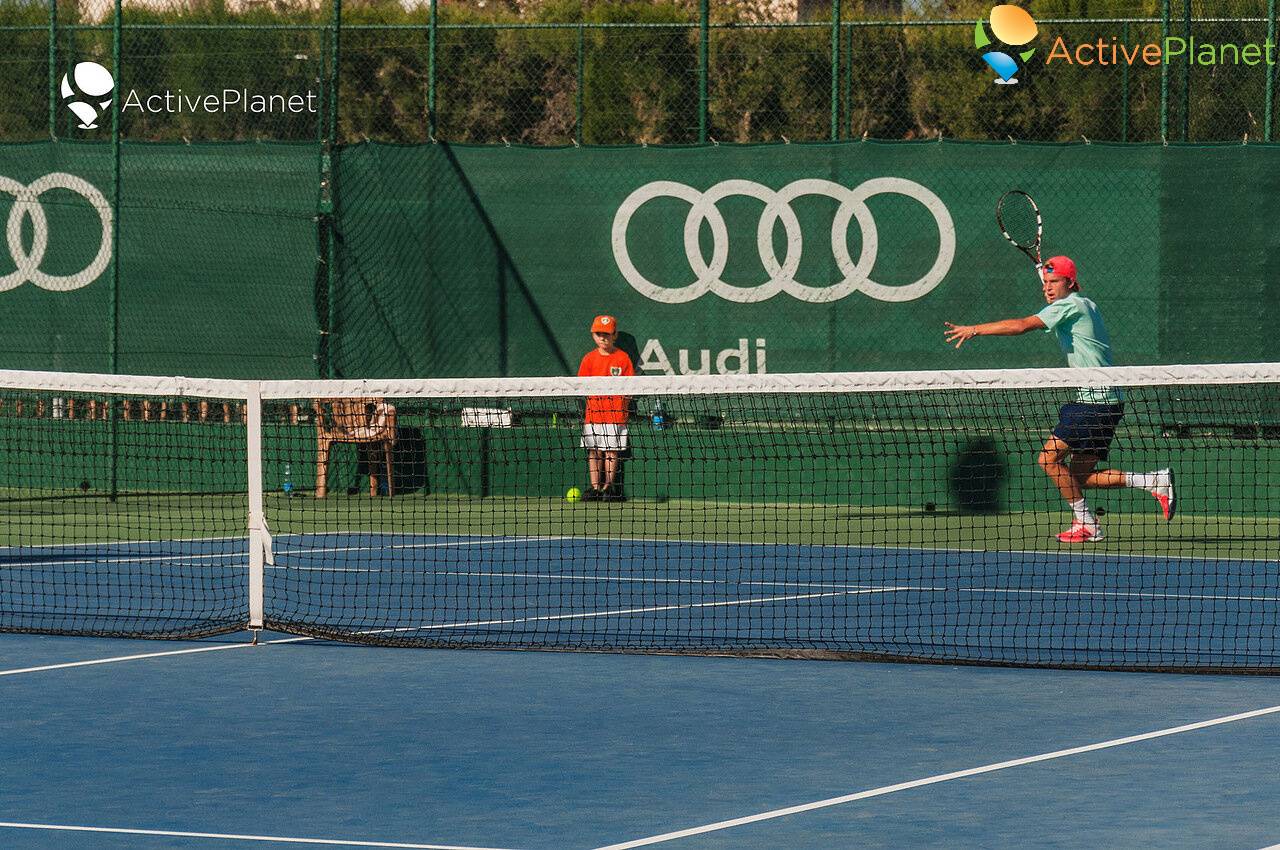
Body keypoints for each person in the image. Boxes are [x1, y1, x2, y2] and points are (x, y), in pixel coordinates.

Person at [943, 256, 1175, 543]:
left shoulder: (1071, 305)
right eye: (1045, 284)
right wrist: (1051, 273)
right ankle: (1153, 481)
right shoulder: (1086, 304)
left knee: (1048, 460)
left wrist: (974, 329)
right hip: (1107, 401)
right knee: (1078, 478)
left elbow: (1021, 325)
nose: (1048, 289)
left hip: (1094, 401)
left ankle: (1087, 524)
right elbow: (1055, 295)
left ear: (1070, 282)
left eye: (1055, 283)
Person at [577, 315, 634, 502]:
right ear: (593, 335)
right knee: (594, 451)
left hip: (615, 416)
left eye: (607, 334)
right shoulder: (588, 359)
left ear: (615, 335)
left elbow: (631, 387)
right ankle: (595, 488)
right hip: (593, 415)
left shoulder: (623, 358)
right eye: (599, 334)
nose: (603, 338)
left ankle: (608, 488)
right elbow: (581, 385)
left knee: (611, 451)